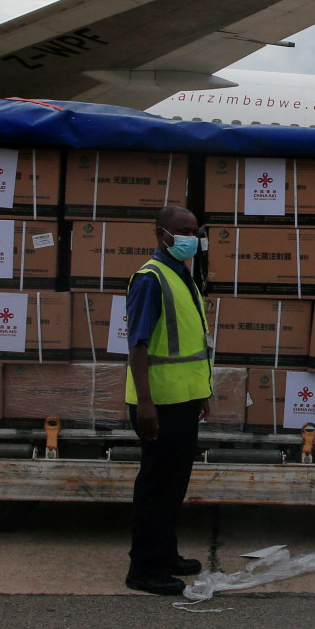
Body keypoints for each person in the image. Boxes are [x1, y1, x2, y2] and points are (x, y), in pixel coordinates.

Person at [123, 204, 213, 596]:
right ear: (160, 233)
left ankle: (167, 554)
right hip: (158, 404)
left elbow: (190, 347)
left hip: (184, 401)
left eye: (195, 230)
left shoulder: (183, 276)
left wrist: (201, 394)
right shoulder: (150, 279)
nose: (190, 237)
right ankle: (144, 569)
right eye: (182, 230)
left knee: (174, 485)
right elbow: (138, 345)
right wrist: (145, 403)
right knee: (156, 487)